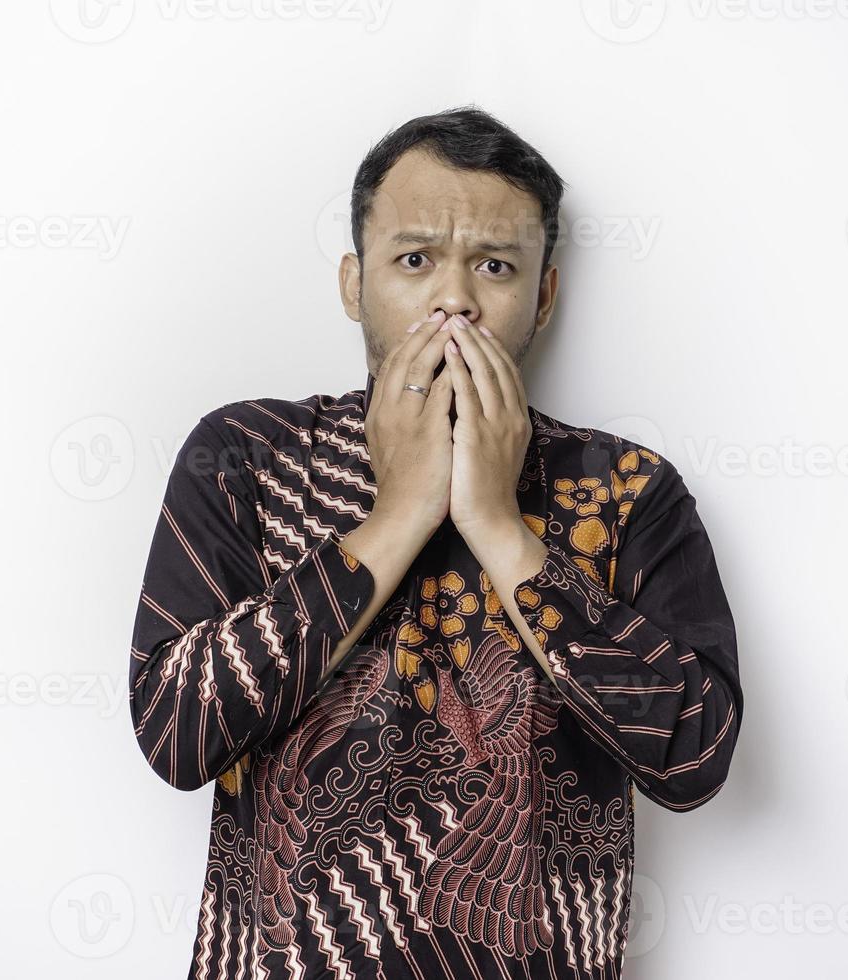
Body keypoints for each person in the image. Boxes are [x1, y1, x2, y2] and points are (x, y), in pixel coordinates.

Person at [128, 105, 743, 980]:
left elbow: (696, 757)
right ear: (354, 282)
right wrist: (399, 514)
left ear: (544, 295)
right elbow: (176, 733)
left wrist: (496, 522)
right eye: (414, 260)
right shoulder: (247, 458)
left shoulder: (630, 491)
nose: (454, 298)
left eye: (495, 266)